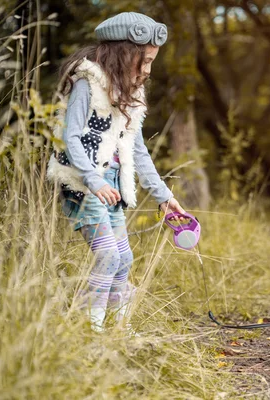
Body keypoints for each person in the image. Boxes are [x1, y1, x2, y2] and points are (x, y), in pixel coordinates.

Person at [47, 12, 185, 332]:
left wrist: (164, 196)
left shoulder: (131, 94)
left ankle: (119, 326)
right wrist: (93, 180)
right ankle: (92, 330)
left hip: (112, 184)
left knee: (124, 260)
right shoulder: (87, 83)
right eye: (145, 61)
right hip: (83, 182)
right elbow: (71, 138)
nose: (148, 70)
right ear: (124, 55)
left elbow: (137, 150)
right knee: (108, 256)